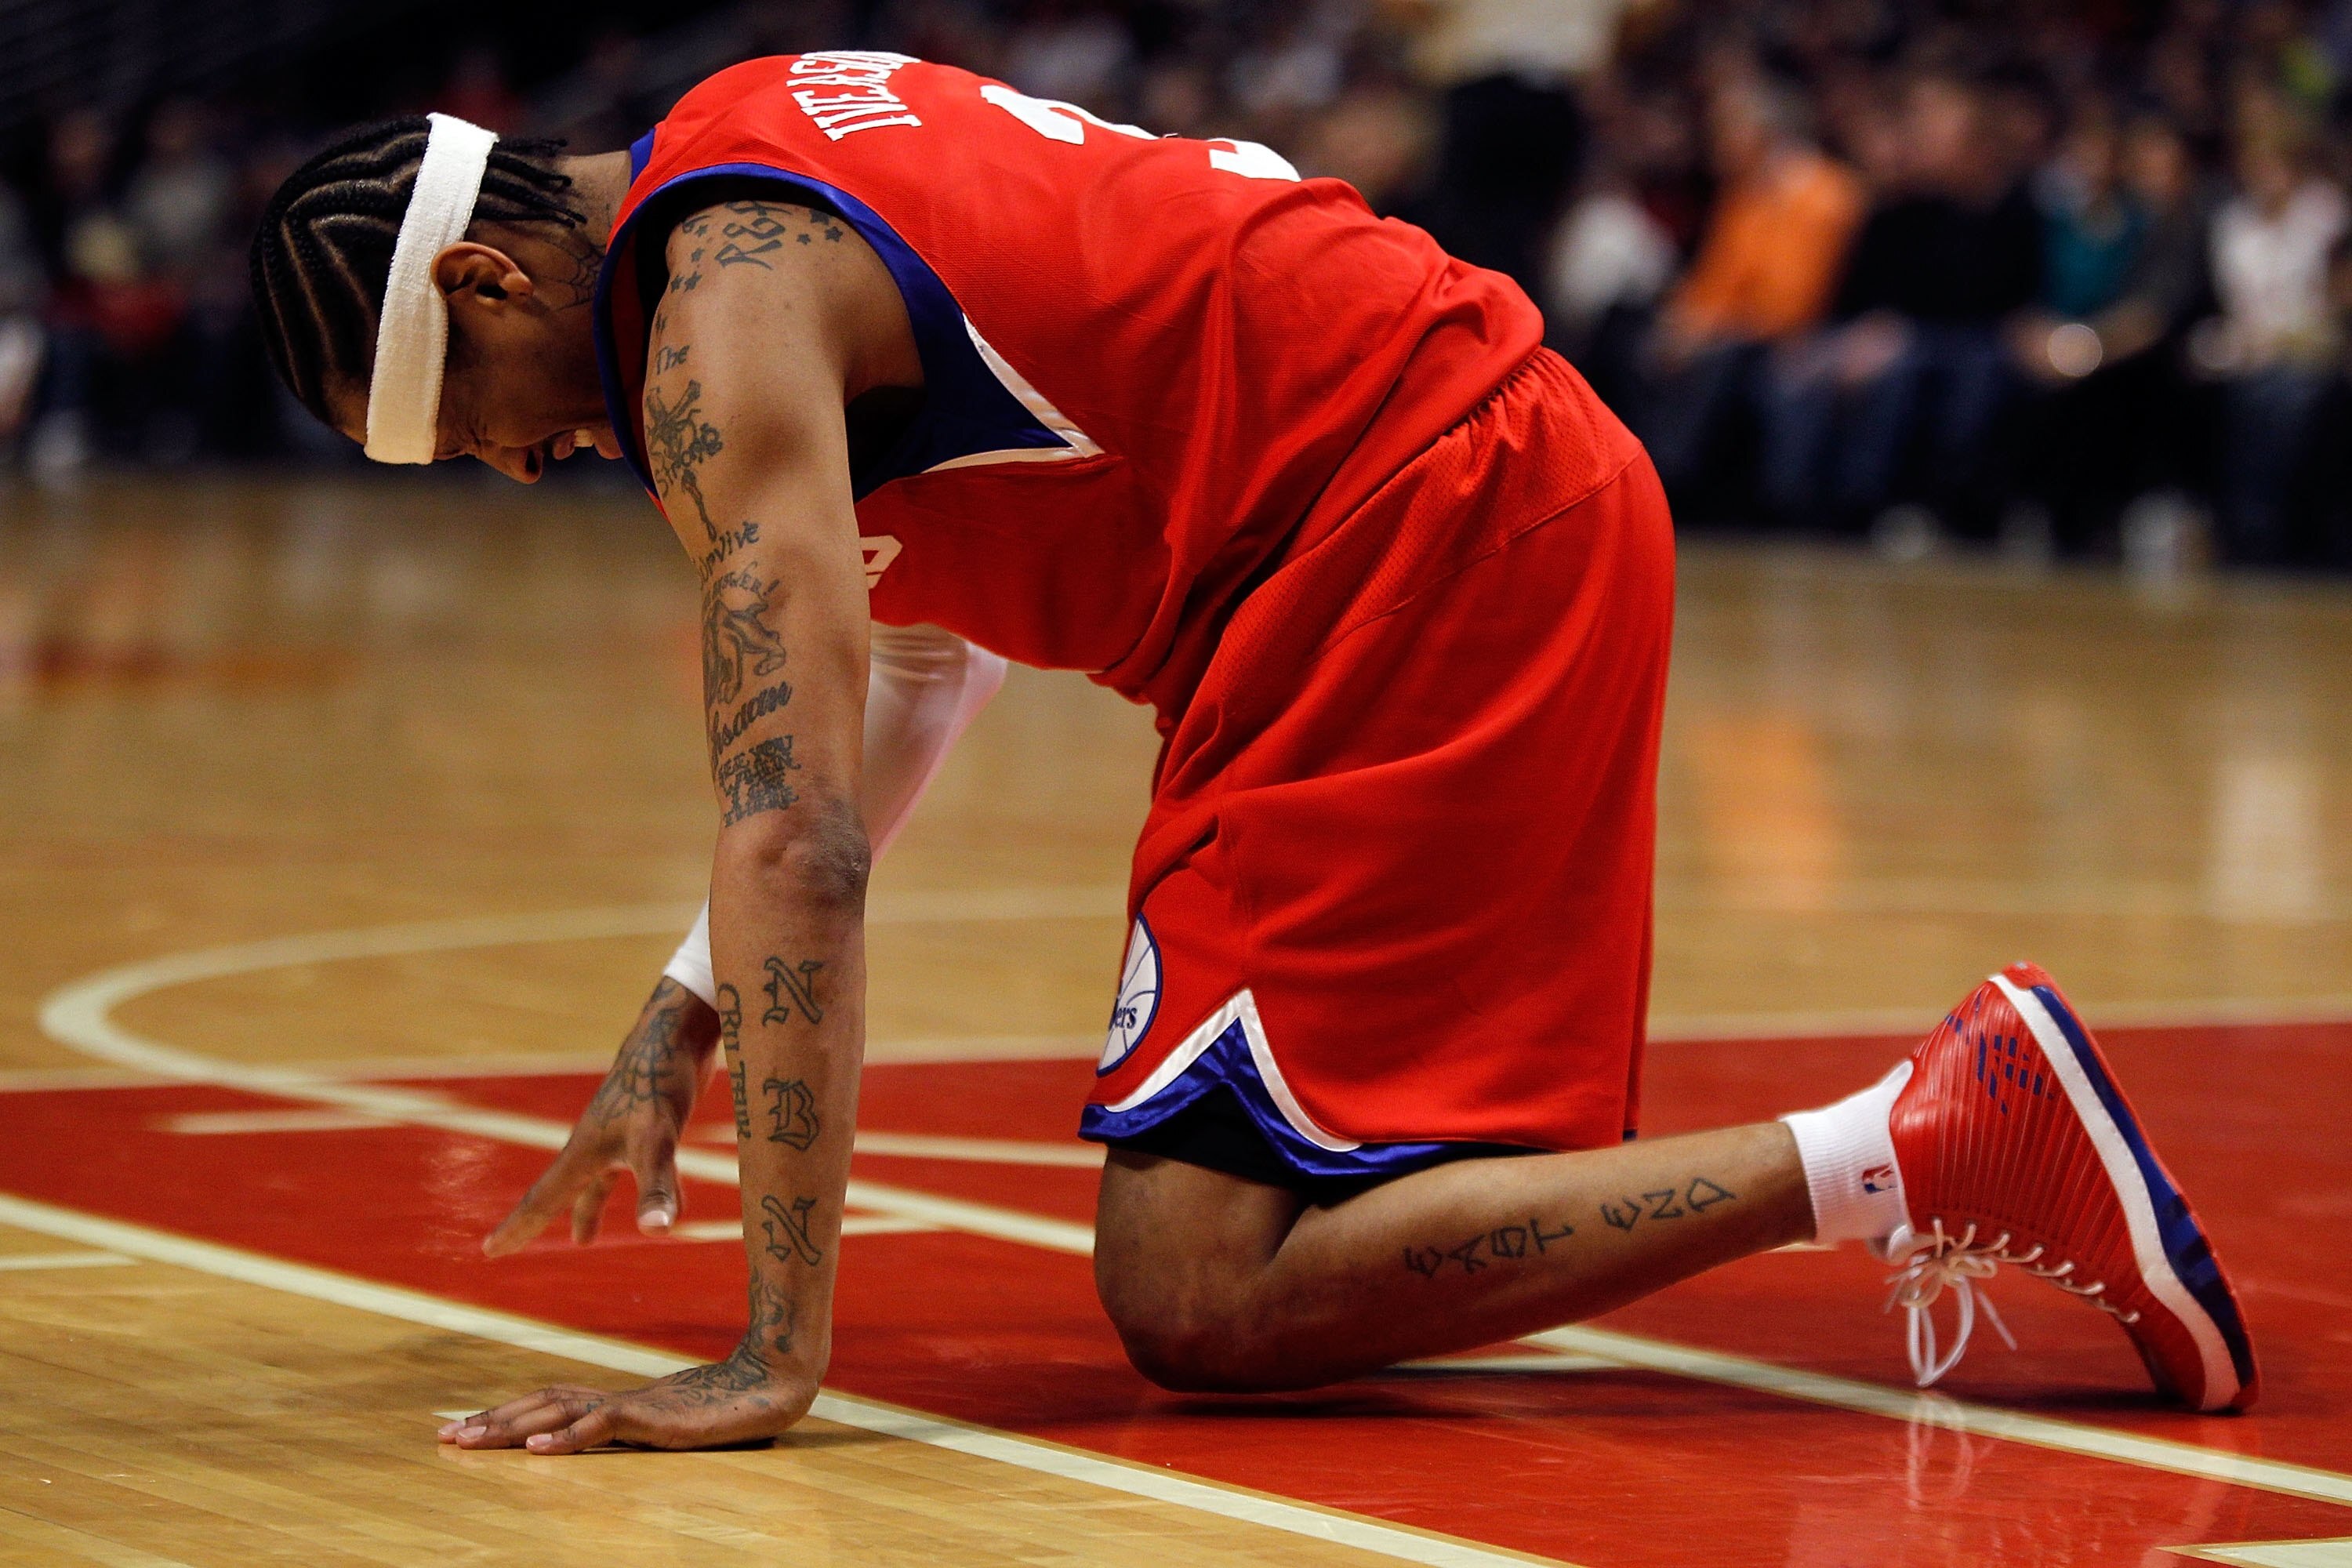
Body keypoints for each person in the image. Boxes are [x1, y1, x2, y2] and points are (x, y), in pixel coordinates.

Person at [246, 53, 2257, 1454]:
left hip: (1414, 532)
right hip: (1420, 522)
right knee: (1282, 1242)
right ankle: (1919, 1140)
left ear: (480, 277)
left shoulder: (711, 330)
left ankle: (1933, 1135)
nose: (518, 464)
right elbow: (925, 663)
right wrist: (688, 1011)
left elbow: (798, 843)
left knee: (1198, 1288)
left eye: (472, 423)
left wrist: (775, 1351)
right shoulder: (755, 142)